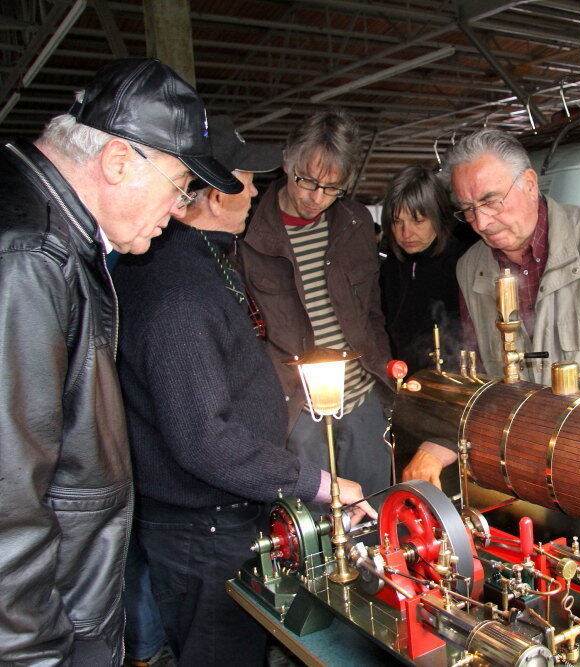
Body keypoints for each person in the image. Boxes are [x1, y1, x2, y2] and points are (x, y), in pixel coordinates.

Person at [0, 58, 241, 665]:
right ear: (116, 162)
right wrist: (33, 655)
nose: (181, 207)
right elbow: (8, 503)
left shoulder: (47, 229)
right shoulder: (31, 257)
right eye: (180, 184)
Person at [113, 116, 377, 666]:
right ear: (212, 193)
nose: (258, 190)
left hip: (223, 510)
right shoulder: (178, 294)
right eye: (247, 179)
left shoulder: (199, 259)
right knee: (219, 650)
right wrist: (318, 482)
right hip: (201, 525)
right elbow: (203, 439)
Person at [401, 128, 580, 487]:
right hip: (542, 463)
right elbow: (477, 374)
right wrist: (441, 443)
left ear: (530, 183)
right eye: (468, 209)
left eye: (491, 201)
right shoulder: (471, 268)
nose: (481, 223)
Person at [237, 109, 393, 502]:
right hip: (296, 411)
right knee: (315, 529)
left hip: (361, 401)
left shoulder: (354, 222)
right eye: (307, 181)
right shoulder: (247, 229)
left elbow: (373, 313)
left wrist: (385, 367)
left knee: (377, 513)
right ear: (287, 160)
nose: (316, 198)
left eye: (332, 188)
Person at [379, 165, 472, 374]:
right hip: (403, 380)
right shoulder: (389, 268)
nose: (406, 232)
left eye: (418, 220)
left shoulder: (463, 263)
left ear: (438, 215)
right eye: (397, 222)